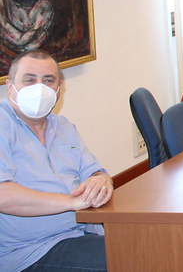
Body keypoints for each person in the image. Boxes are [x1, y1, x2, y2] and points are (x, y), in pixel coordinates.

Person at [0, 50, 110, 272]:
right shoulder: (4, 125)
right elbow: (3, 196)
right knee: (134, 259)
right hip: (31, 251)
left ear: (59, 89)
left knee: (154, 244)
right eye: (29, 80)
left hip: (82, 232)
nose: (39, 88)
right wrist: (72, 202)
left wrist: (101, 180)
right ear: (10, 87)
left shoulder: (63, 126)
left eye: (48, 80)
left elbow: (94, 171)